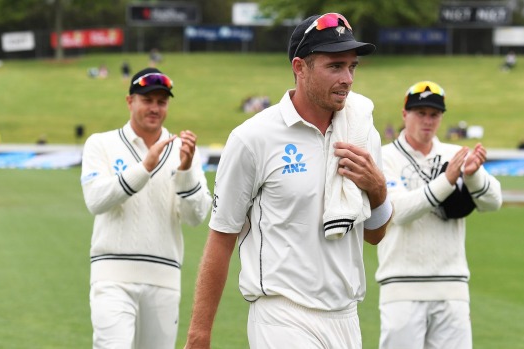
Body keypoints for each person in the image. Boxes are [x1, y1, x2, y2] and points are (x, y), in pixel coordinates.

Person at [184, 13, 391, 349]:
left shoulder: (362, 134)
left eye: (352, 67)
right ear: (300, 67)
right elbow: (222, 238)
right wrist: (199, 334)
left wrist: (378, 191)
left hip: (346, 317)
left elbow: (375, 235)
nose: (348, 79)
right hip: (281, 316)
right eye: (335, 66)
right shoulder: (253, 138)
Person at [80, 67, 212, 349]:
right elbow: (96, 200)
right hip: (112, 277)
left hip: (164, 279)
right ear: (130, 101)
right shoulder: (101, 144)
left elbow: (196, 217)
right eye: (147, 100)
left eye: (161, 102)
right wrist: (144, 168)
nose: (155, 108)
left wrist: (186, 170)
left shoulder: (184, 150)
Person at [375, 81, 503, 349]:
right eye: (420, 113)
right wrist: (448, 180)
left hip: (452, 287)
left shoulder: (455, 154)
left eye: (434, 114)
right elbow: (398, 212)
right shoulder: (384, 157)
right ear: (404, 114)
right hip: (401, 287)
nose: (427, 121)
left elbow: (493, 202)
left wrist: (473, 174)